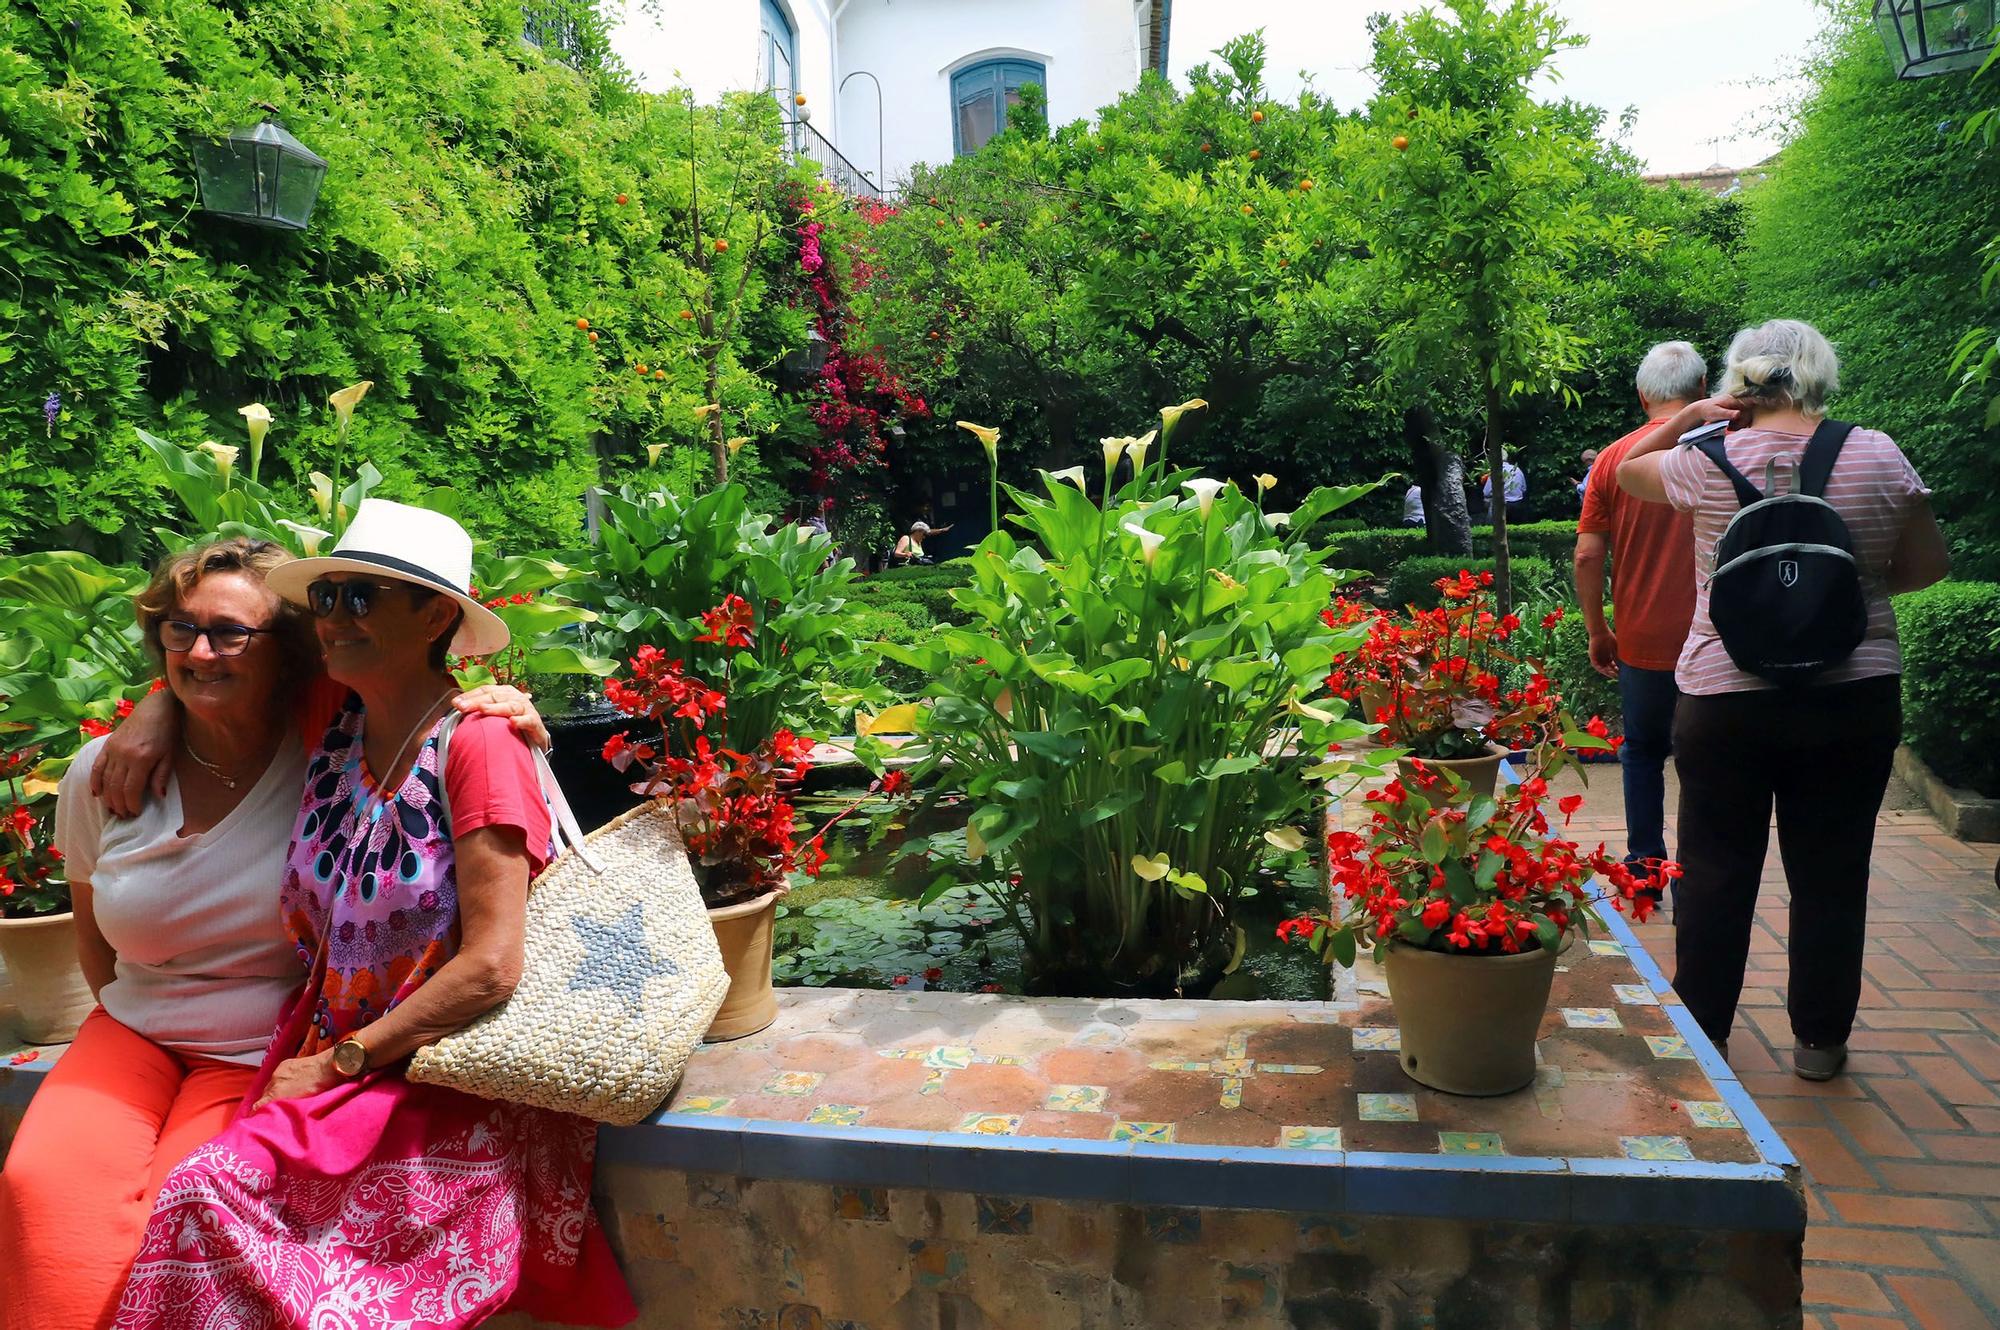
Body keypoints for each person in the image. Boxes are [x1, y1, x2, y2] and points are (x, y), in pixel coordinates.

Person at [104, 501, 636, 1327]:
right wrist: (157, 708)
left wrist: (341, 1063)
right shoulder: (341, 725)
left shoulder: (479, 744)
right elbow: (214, 666)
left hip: (430, 1073)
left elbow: (493, 965)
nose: (333, 619)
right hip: (329, 1060)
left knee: (204, 1199)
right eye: (326, 599)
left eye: (362, 599)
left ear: (435, 616)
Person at [0, 537, 549, 1330]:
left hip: (269, 1039)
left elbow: (424, 704)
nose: (199, 650)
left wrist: (513, 707)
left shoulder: (325, 733)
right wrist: (159, 705)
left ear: (282, 654)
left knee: (179, 1208)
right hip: (135, 1030)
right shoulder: (112, 771)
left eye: (229, 632)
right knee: (40, 1189)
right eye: (179, 629)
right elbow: (95, 938)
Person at [1618, 320, 1950, 1080]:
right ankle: (1819, 1043)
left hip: (1724, 696)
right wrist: (1841, 600)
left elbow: (1617, 476)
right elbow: (1929, 563)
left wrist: (1685, 419)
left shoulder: (1701, 457)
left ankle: (1707, 1038)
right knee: (1833, 871)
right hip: (1852, 694)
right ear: (1820, 375)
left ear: (1742, 380)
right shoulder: (1876, 450)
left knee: (1714, 869)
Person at [1575, 342, 1703, 885]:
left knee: (1644, 752)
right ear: (1701, 391)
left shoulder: (1614, 461)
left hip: (1644, 637)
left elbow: (1587, 553)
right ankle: (1705, 868)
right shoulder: (1735, 449)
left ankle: (1646, 864)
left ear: (1642, 395)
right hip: (1723, 639)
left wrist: (1599, 629)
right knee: (1712, 758)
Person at [1481, 455, 1528, 522]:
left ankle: (1489, 525)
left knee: (1488, 500)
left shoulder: (1495, 471)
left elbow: (1486, 492)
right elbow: (1524, 488)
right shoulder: (1517, 469)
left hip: (1502, 506)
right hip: (1517, 505)